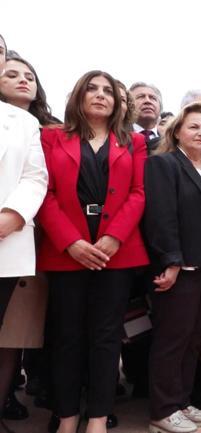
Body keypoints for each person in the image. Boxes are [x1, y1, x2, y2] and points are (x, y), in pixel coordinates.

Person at [37, 70, 148, 433]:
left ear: (117, 102)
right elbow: (44, 192)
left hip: (116, 252)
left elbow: (138, 193)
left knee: (107, 335)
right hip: (66, 251)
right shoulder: (52, 137)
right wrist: (71, 242)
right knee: (66, 336)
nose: (101, 95)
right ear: (78, 97)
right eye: (92, 89)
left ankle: (98, 417)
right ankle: (67, 415)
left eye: (107, 91)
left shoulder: (133, 142)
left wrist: (114, 237)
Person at [144, 102, 201, 432]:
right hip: (182, 268)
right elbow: (161, 217)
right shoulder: (164, 164)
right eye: (194, 126)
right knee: (173, 339)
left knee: (194, 338)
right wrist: (171, 261)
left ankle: (180, 401)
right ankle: (162, 411)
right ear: (177, 132)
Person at [0, 41, 48, 426]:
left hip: (7, 239)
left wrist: (11, 216)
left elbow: (35, 176)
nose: (21, 80)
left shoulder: (26, 122)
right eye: (12, 74)